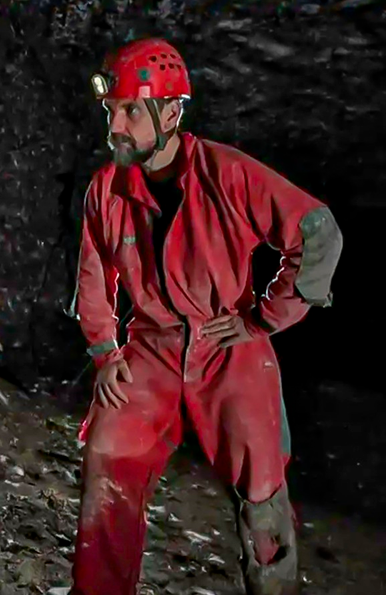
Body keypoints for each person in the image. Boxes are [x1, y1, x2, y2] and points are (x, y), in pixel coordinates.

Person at [68, 38, 343, 595]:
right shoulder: (107, 187)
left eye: (129, 111)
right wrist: (104, 351)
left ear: (171, 113)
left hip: (226, 342)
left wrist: (265, 319)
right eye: (111, 111)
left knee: (262, 483)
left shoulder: (227, 173)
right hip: (151, 344)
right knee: (109, 449)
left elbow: (316, 232)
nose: (114, 126)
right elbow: (94, 274)